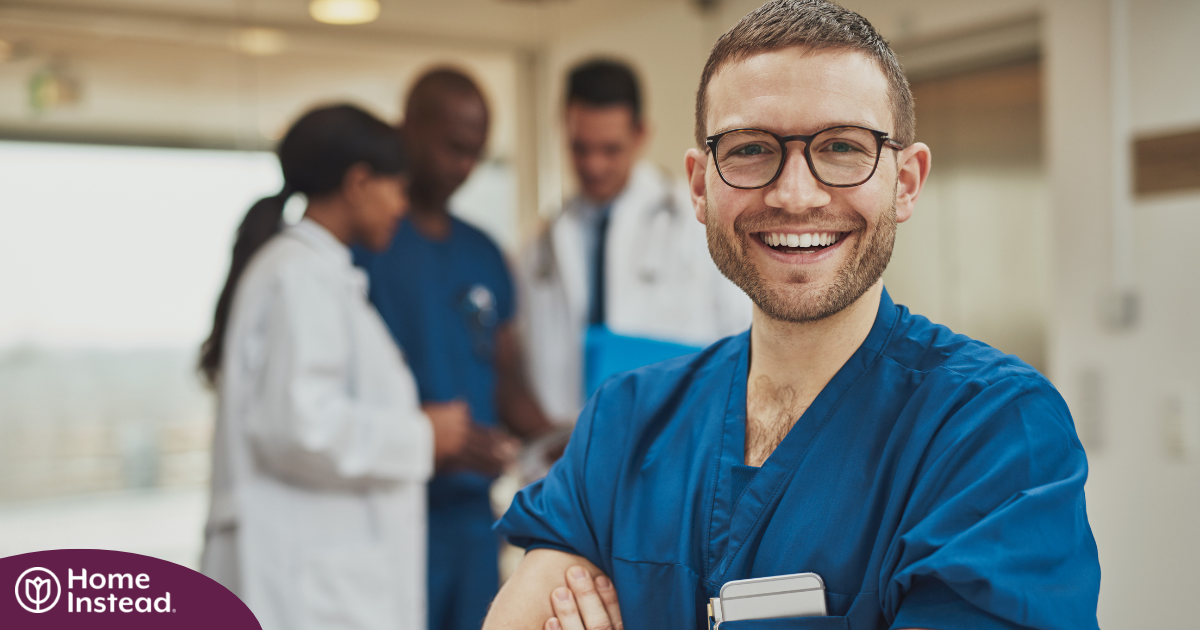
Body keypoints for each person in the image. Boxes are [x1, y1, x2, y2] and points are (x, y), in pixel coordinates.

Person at [485, 2, 1102, 629]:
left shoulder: (993, 433)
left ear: (906, 181)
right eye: (751, 149)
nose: (794, 194)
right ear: (700, 186)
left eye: (841, 147)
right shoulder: (625, 423)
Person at [198, 104, 471, 630]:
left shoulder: (316, 273)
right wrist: (422, 436)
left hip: (318, 577)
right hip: (305, 585)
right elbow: (299, 427)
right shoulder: (300, 276)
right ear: (359, 182)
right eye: (396, 189)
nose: (400, 207)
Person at [353, 69, 557, 630]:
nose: (464, 167)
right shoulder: (364, 246)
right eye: (453, 148)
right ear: (409, 129)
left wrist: (562, 438)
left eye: (476, 154)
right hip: (384, 509)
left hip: (471, 519)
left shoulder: (484, 254)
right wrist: (424, 434)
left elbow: (505, 377)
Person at [520, 59, 751, 424]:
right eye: (581, 148)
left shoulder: (696, 221)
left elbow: (744, 338)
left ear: (641, 134)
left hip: (677, 436)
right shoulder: (543, 244)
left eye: (610, 149)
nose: (594, 165)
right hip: (570, 449)